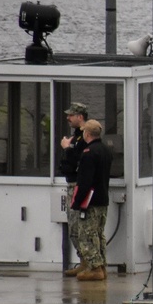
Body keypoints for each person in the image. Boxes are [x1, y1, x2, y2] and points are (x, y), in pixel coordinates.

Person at [71, 120, 113, 281]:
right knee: (99, 234)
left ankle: (95, 268)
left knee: (87, 234)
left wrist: (77, 202)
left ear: (87, 134)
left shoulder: (89, 152)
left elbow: (85, 181)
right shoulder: (105, 150)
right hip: (103, 199)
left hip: (90, 201)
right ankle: (101, 265)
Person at [59, 102, 88, 277]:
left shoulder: (84, 137)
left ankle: (89, 263)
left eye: (71, 115)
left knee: (80, 227)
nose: (68, 118)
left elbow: (79, 161)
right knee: (74, 227)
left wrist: (67, 148)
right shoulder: (77, 136)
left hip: (78, 185)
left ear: (80, 117)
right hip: (72, 183)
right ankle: (84, 261)